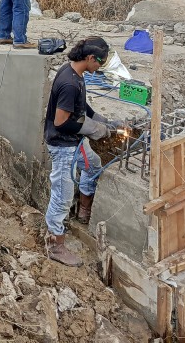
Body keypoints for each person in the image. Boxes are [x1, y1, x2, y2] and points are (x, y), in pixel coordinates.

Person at [43, 36, 119, 267]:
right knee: (62, 196)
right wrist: (94, 128)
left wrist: (102, 120)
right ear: (89, 58)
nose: (99, 68)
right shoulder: (69, 82)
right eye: (99, 64)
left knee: (93, 165)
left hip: (76, 143)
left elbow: (82, 106)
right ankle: (55, 244)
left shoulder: (76, 74)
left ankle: (83, 210)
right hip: (64, 146)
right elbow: (60, 120)